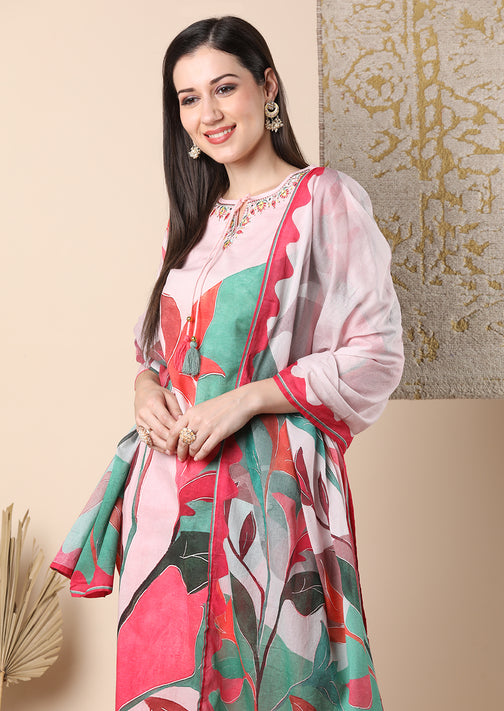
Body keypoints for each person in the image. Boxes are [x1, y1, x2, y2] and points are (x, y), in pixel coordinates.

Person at [53, 15, 404, 711]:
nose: (208, 114)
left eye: (224, 88)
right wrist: (144, 387)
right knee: (166, 689)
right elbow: (158, 350)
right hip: (165, 503)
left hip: (264, 497)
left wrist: (247, 398)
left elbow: (376, 351)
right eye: (188, 98)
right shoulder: (193, 218)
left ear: (266, 86)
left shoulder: (322, 200)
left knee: (264, 680)